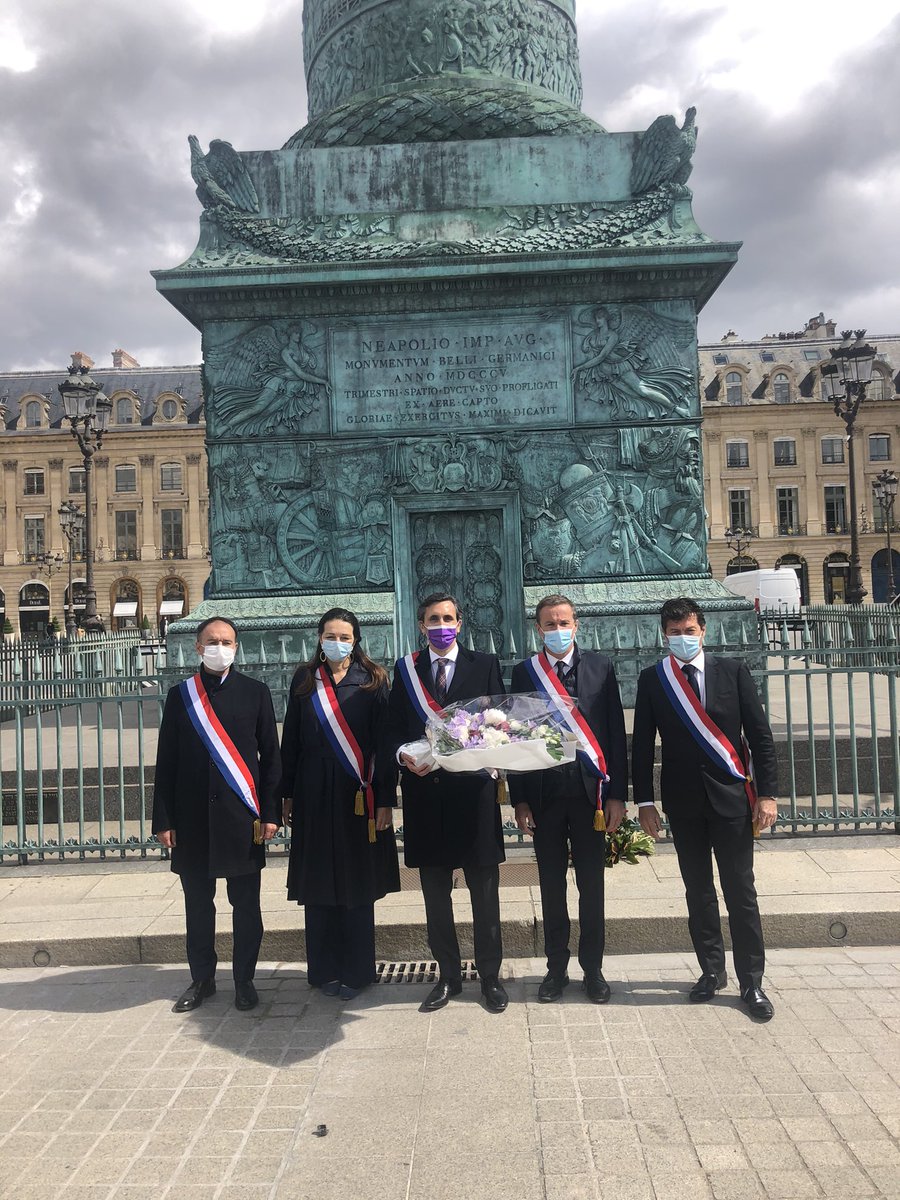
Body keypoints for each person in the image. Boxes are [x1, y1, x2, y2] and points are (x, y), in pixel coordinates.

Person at [632, 597, 779, 1020]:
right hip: (683, 803)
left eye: (689, 631)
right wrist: (645, 801)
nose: (682, 638)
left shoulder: (731, 672)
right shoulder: (653, 680)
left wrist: (767, 794)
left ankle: (752, 981)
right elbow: (642, 746)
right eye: (674, 632)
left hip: (732, 800)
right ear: (665, 635)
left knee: (741, 893)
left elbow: (760, 738)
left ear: (704, 631)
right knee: (698, 892)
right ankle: (712, 971)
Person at [386, 592, 507, 1014]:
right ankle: (448, 977)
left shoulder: (484, 665)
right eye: (433, 619)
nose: (442, 625)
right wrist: (402, 754)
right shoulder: (406, 672)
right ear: (422, 626)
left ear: (460, 623)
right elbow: (393, 728)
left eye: (449, 618)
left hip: (473, 796)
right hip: (425, 796)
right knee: (435, 897)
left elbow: (501, 723)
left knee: (485, 894)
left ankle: (490, 978)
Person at [153, 617, 281, 1013]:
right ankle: (202, 978)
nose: (219, 647)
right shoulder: (180, 696)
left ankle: (244, 979)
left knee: (245, 905)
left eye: (226, 641)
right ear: (197, 647)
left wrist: (272, 812)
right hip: (192, 819)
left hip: (241, 818)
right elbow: (166, 760)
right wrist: (164, 819)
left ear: (236, 648)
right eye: (212, 641)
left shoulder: (255, 693)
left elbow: (271, 760)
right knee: (197, 904)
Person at [509, 595, 627, 1003]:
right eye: (548, 624)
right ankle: (555, 969)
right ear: (537, 629)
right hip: (544, 796)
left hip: (590, 795)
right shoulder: (525, 671)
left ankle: (592, 970)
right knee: (550, 885)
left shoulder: (600, 666)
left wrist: (617, 796)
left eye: (563, 622)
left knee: (591, 886)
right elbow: (516, 737)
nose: (557, 629)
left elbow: (614, 733)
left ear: (576, 624)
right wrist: (519, 800)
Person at [281, 608, 400, 999]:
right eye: (330, 635)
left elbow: (385, 746)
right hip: (313, 791)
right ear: (319, 639)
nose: (337, 642)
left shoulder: (374, 680)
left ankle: (357, 970)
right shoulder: (304, 680)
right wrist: (286, 794)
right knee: (318, 882)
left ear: (356, 639)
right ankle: (323, 969)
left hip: (357, 795)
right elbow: (291, 744)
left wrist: (385, 799)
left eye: (344, 636)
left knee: (356, 884)